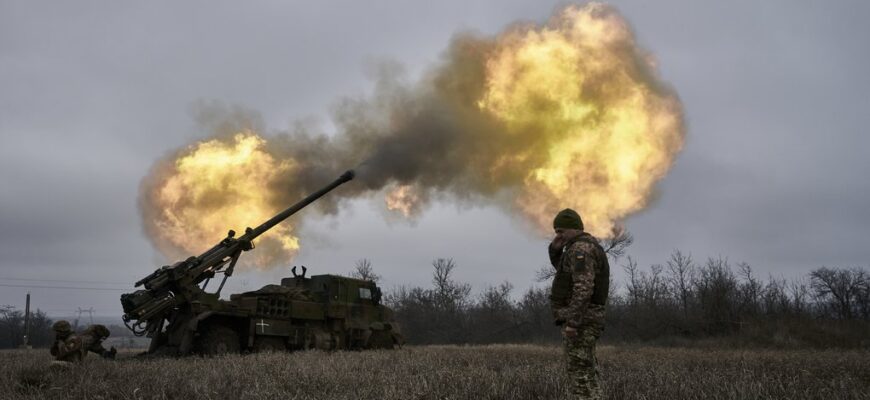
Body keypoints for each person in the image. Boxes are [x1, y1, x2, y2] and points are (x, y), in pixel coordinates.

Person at [548, 208, 610, 399]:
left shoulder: (580, 250)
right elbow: (566, 273)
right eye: (556, 231)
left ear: (574, 229)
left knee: (580, 378)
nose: (558, 235)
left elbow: (583, 289)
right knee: (587, 374)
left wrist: (573, 323)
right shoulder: (582, 247)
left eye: (561, 231)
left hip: (582, 322)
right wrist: (555, 250)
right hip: (587, 319)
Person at [50, 321, 116, 363]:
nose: (56, 334)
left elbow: (64, 351)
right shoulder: (86, 339)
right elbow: (54, 353)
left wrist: (110, 354)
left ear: (62, 331)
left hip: (72, 365)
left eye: (57, 332)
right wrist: (56, 343)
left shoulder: (74, 339)